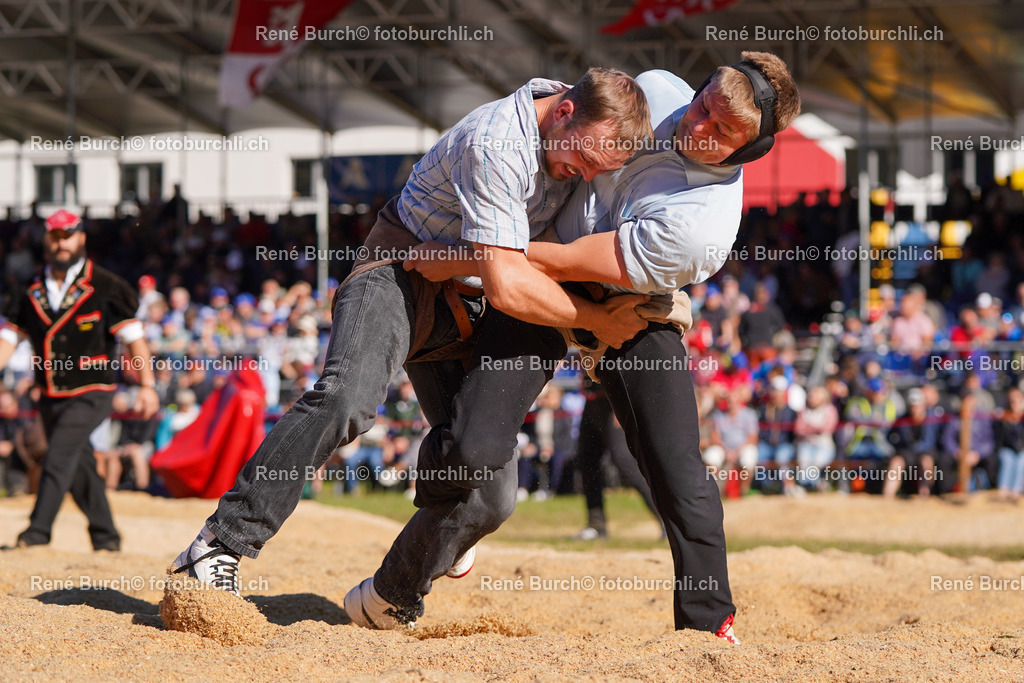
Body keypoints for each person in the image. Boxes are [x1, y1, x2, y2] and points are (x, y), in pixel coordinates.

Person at [349, 52, 800, 643]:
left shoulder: (704, 226)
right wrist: (495, 253)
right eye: (704, 106)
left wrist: (477, 254)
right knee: (470, 447)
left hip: (628, 303)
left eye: (722, 131)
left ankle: (708, 625)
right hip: (544, 283)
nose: (698, 127)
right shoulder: (659, 88)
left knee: (678, 470)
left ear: (749, 149)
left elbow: (571, 260)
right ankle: (411, 572)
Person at [170, 69, 653, 595]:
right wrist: (598, 320)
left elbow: (505, 266)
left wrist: (455, 259)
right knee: (346, 401)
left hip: (461, 288)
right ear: (562, 111)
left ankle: (389, 597)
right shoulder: (496, 142)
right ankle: (221, 542)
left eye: (594, 168)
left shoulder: (577, 116)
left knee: (489, 495)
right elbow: (510, 287)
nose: (580, 174)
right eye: (581, 158)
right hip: (398, 271)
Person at [0, 209, 159, 551]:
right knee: (79, 463)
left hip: (93, 389)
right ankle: (106, 537)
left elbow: (135, 339)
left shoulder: (107, 286)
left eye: (68, 234)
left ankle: (36, 533)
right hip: (50, 392)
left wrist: (147, 386)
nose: (61, 242)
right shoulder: (28, 288)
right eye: (55, 235)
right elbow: (8, 340)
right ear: (46, 238)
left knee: (58, 454)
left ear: (81, 237)